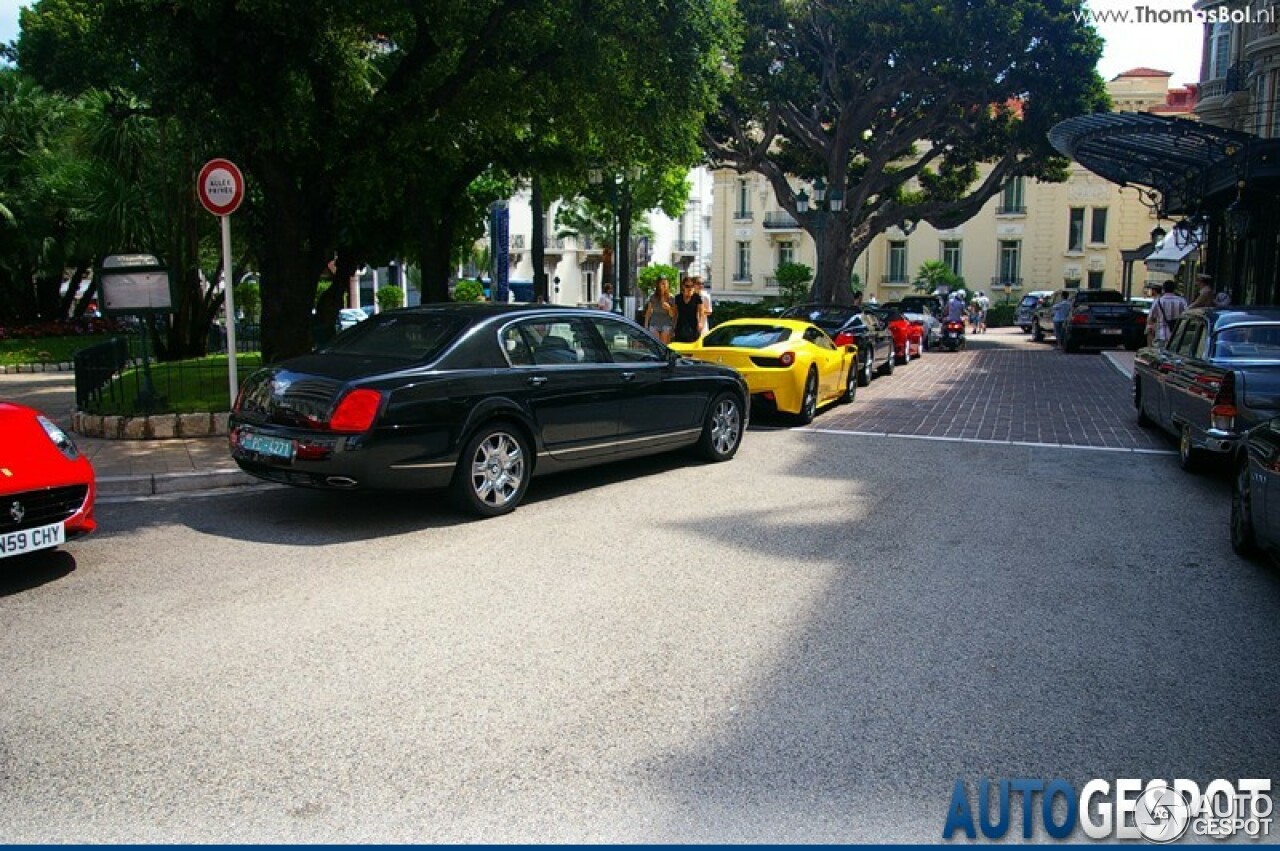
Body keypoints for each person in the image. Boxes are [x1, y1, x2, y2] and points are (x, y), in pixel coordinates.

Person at [1149, 279, 1188, 345]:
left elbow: (1151, 318)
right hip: (1177, 336)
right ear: (1174, 289)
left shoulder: (1158, 301)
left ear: (1163, 289)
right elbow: (1187, 315)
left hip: (1162, 335)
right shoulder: (1182, 301)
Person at [672, 276, 705, 344]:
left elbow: (701, 313)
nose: (690, 288)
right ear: (683, 286)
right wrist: (673, 327)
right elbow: (675, 314)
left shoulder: (697, 298)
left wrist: (700, 323)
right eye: (687, 286)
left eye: (692, 286)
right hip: (680, 327)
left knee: (690, 351)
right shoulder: (678, 298)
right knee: (679, 350)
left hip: (693, 327)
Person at [644, 277, 676, 343]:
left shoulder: (671, 297)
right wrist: (646, 325)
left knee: (663, 346)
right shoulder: (653, 297)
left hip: (666, 324)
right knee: (656, 346)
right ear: (658, 285)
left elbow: (673, 315)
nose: (665, 285)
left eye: (666, 283)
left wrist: (669, 308)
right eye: (662, 283)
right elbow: (649, 311)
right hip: (654, 323)